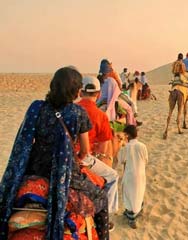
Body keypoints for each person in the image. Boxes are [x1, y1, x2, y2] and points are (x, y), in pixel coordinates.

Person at [0, 67, 110, 239]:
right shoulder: (78, 113)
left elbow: (26, 140)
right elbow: (84, 150)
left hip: (35, 168)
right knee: (102, 198)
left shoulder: (37, 107)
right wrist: (77, 159)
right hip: (66, 173)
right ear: (75, 91)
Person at [77, 76, 120, 221]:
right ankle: (106, 215)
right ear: (99, 94)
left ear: (80, 92)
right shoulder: (101, 116)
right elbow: (103, 147)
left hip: (63, 153)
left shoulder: (71, 109)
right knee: (113, 176)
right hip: (84, 157)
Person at [117, 125, 148, 229]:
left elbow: (121, 160)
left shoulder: (126, 147)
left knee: (129, 194)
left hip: (130, 175)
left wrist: (121, 145)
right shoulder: (142, 146)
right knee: (139, 192)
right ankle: (138, 211)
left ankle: (132, 219)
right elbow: (146, 160)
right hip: (141, 174)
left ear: (128, 135)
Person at [97, 59, 140, 126]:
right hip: (116, 94)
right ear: (109, 69)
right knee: (129, 108)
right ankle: (131, 126)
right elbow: (118, 89)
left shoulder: (97, 81)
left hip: (99, 101)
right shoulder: (112, 79)